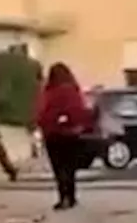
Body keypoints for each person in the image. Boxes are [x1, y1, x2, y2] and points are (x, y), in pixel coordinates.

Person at [34, 62, 94, 210]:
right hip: (71, 135)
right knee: (69, 168)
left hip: (53, 135)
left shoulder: (49, 92)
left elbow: (42, 112)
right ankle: (72, 197)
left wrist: (44, 125)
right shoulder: (73, 90)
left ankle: (63, 198)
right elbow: (80, 111)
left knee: (58, 168)